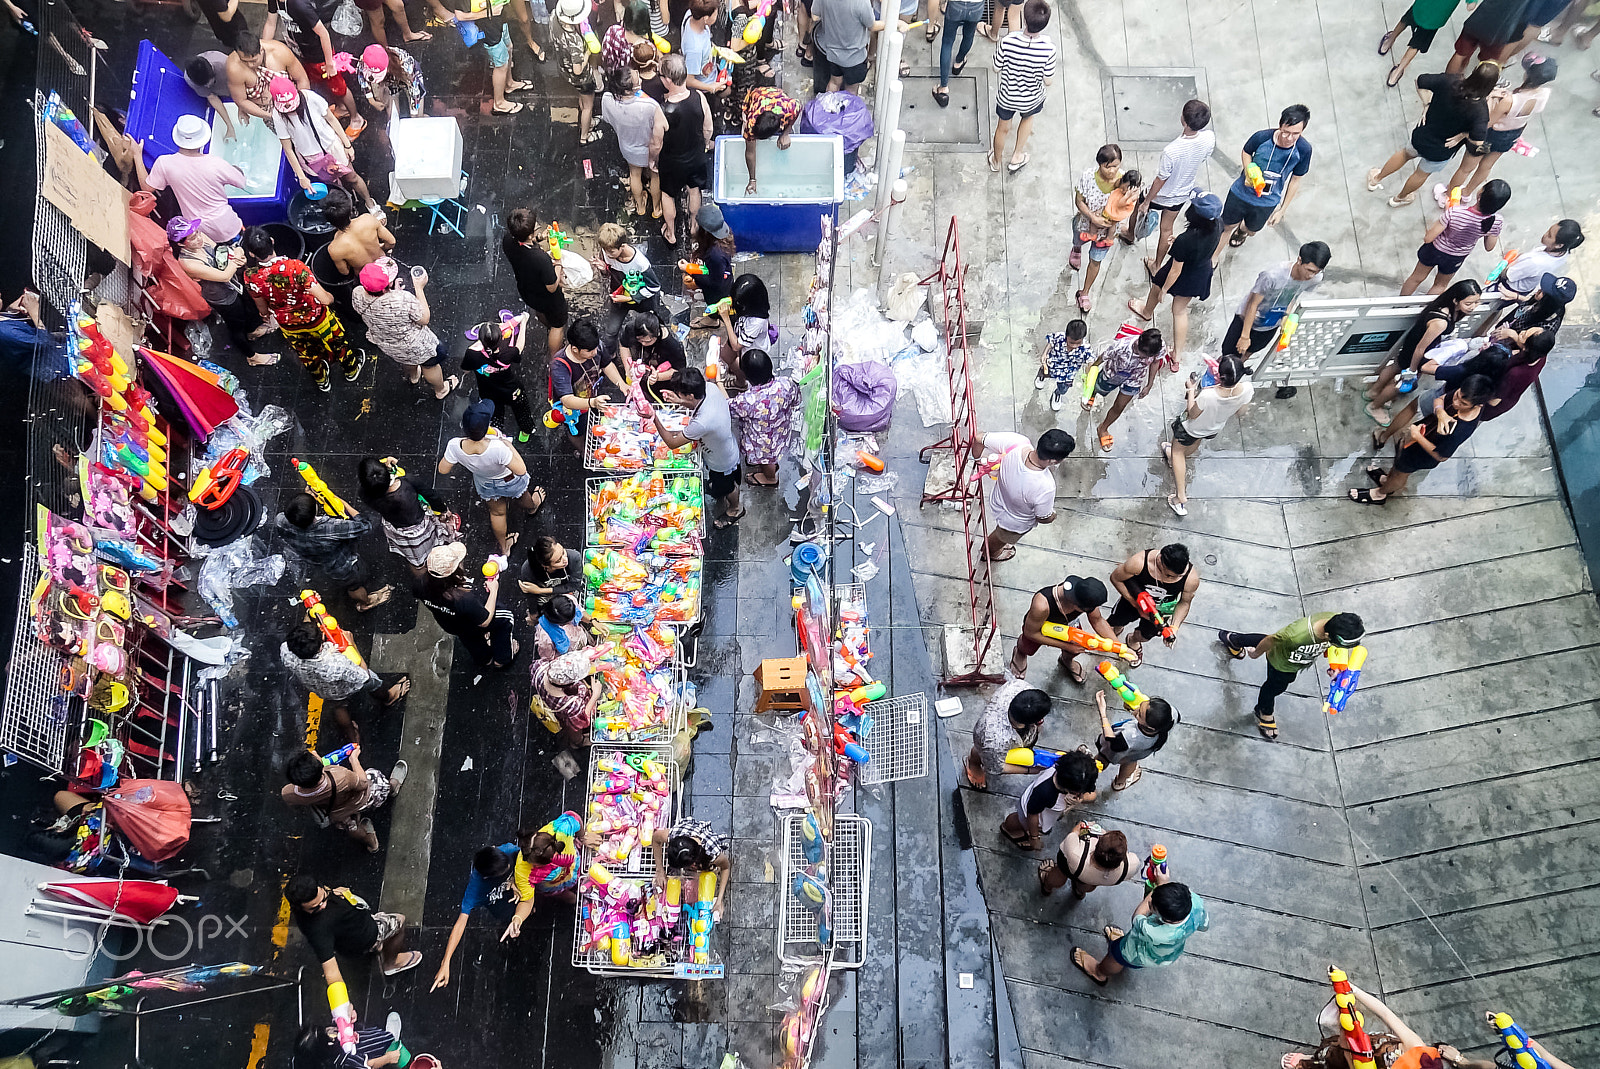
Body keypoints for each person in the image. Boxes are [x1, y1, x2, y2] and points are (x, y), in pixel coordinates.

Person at [243, 226, 365, 391]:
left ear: (251, 253)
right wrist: (330, 296)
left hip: (288, 325)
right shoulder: (295, 268)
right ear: (272, 241)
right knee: (336, 341)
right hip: (317, 319)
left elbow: (262, 309)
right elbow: (325, 299)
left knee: (306, 351)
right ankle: (351, 369)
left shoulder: (251, 277)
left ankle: (321, 378)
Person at [1366, 63, 1497, 208]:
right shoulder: (1480, 112)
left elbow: (1420, 81)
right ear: (1491, 86)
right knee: (1421, 174)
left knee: (1404, 154)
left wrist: (1427, 104)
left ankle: (1376, 179)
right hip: (1442, 149)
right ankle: (1399, 198)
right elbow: (1477, 142)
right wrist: (1462, 135)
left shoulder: (1450, 81)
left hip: (1424, 133)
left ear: (1474, 72)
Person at [1217, 611, 1366, 739]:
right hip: (1282, 663)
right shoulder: (1296, 637)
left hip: (1291, 651)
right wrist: (1256, 654)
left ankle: (1234, 640)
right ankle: (1264, 711)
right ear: (1327, 635)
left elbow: (1334, 647)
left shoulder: (1335, 622)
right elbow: (1272, 640)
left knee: (1276, 641)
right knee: (1274, 687)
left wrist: (1334, 665)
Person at [1353, 376, 1495, 506]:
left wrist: (1417, 437)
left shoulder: (1462, 429)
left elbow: (1441, 456)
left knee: (1401, 472)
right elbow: (1440, 399)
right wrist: (1440, 411)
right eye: (1457, 395)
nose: (1455, 402)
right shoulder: (1463, 394)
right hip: (1418, 438)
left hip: (1422, 455)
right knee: (1397, 464)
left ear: (1478, 406)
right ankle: (1386, 481)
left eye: (1463, 403)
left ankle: (1380, 494)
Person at [437, 399, 548, 556]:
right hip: (510, 480)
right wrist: (508, 446)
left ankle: (504, 547)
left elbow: (443, 469)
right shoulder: (498, 447)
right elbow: (521, 469)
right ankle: (532, 506)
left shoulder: (455, 445)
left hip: (485, 483)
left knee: (497, 513)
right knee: (523, 496)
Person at [1365, 280, 1483, 425]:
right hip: (1417, 353)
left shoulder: (1443, 305)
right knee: (1401, 383)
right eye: (1468, 303)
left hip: (1412, 345)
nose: (1473, 307)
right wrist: (1412, 370)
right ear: (1455, 300)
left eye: (1477, 302)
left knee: (1396, 366)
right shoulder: (1441, 322)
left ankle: (1373, 392)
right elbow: (1420, 348)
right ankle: (1374, 406)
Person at [1440, 54, 1554, 200]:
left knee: (1466, 168)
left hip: (1490, 136)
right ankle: (1467, 193)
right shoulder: (1544, 94)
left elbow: (1487, 123)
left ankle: (1448, 195)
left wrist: (1462, 135)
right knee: (1486, 166)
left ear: (1528, 75)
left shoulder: (1509, 100)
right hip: (1511, 135)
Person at [1125, 192, 1222, 360]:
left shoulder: (1186, 240)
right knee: (1180, 311)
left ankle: (1147, 311)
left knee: (1157, 285)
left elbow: (1175, 271)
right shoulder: (1217, 224)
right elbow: (1202, 242)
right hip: (1200, 271)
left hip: (1183, 272)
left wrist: (1164, 290)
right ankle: (1177, 355)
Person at [168, 216, 276, 365]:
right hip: (221, 296)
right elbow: (224, 276)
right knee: (236, 325)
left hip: (234, 283)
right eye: (192, 238)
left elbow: (223, 251)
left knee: (248, 308)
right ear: (180, 244)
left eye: (197, 233)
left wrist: (237, 254)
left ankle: (252, 332)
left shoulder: (201, 238)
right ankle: (252, 357)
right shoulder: (187, 262)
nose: (198, 238)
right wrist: (237, 256)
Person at [281, 621, 410, 744]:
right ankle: (388, 697)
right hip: (344, 687)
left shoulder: (286, 650)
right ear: (320, 646)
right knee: (373, 681)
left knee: (338, 706)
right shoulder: (334, 663)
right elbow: (363, 674)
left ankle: (352, 737)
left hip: (319, 688)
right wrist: (352, 643)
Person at [267, 77, 382, 215]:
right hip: (311, 156)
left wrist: (346, 145)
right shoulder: (278, 115)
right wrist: (301, 176)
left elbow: (332, 119)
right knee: (334, 186)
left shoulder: (311, 98)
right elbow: (288, 148)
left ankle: (370, 203)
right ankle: (348, 208)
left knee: (352, 177)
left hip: (331, 146)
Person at [1123, 99, 1216, 268]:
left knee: (1138, 205)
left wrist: (1147, 201)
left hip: (1163, 194)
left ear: (1184, 120)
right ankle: (1157, 265)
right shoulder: (1209, 138)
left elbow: (1161, 179)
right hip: (1182, 193)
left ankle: (1130, 234)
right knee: (1167, 229)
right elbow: (1204, 157)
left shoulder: (1172, 151)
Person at [430, 843, 536, 990]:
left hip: (518, 889)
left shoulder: (508, 851)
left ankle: (530, 910)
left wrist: (514, 879)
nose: (507, 870)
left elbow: (525, 858)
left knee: (528, 903)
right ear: (487, 877)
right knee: (509, 916)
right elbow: (460, 923)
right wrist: (445, 961)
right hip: (500, 905)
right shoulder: (476, 888)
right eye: (503, 873)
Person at [1215, 104, 1313, 257]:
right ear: (1280, 125)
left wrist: (1282, 210)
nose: (1289, 138)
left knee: (1252, 230)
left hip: (1267, 200)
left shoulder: (1303, 150)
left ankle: (1242, 231)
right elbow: (1247, 151)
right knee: (1226, 226)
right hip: (1241, 192)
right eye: (1286, 132)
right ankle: (1213, 258)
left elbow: (1295, 181)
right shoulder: (1262, 137)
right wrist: (1248, 171)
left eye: (1295, 134)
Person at [1072, 877, 1207, 986]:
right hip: (1165, 953)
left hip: (1137, 952)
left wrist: (1158, 888)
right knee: (1123, 946)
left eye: (1151, 906)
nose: (1149, 903)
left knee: (1117, 956)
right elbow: (1204, 925)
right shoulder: (1196, 903)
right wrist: (1164, 885)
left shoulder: (1152, 932)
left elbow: (1137, 918)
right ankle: (1119, 945)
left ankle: (1100, 972)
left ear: (1165, 918)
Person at [134, 115, 249, 243]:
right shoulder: (216, 163)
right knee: (241, 249)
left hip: (200, 232)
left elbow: (146, 188)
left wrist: (137, 155)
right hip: (228, 224)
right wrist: (235, 169)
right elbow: (242, 182)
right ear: (203, 139)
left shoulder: (164, 163)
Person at [1164, 354, 1253, 517]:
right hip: (1213, 429)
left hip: (1191, 428)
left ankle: (1180, 497)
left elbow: (1192, 414)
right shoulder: (1247, 389)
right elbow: (1241, 412)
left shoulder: (1208, 395)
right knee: (1195, 442)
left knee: (1177, 452)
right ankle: (1178, 457)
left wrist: (1191, 389)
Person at [353, 259, 455, 399]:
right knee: (430, 365)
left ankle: (413, 377)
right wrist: (419, 288)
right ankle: (441, 390)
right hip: (416, 345)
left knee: (407, 361)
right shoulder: (403, 299)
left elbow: (380, 304)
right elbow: (424, 319)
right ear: (388, 284)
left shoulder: (357, 294)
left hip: (389, 345)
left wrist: (391, 293)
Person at [655, 368, 744, 527]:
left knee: (728, 487)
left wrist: (653, 417)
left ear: (690, 395)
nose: (679, 395)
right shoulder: (710, 388)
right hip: (725, 447)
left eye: (680, 394)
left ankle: (735, 509)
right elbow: (695, 405)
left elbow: (672, 443)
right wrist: (679, 400)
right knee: (720, 484)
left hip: (721, 461)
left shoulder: (702, 422)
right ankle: (719, 489)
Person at [284, 874, 422, 977]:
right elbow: (331, 972)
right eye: (315, 908)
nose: (324, 905)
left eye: (324, 898)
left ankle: (376, 946)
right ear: (301, 908)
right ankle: (391, 963)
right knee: (400, 920)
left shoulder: (308, 897)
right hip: (368, 933)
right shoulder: (317, 930)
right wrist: (341, 1008)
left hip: (350, 938)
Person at [263, 0, 366, 137]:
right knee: (327, 84)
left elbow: (323, 33)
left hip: (320, 55)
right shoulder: (274, 1)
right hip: (303, 52)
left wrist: (329, 63)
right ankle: (342, 108)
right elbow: (271, 23)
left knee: (339, 87)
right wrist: (263, 48)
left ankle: (356, 118)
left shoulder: (298, 5)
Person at [280, 740, 407, 850]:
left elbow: (294, 805)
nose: (313, 753)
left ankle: (371, 842)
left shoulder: (289, 793)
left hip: (336, 812)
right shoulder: (341, 777)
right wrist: (354, 759)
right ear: (320, 767)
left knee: (351, 826)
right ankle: (391, 788)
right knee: (375, 779)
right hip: (357, 800)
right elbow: (362, 784)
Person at [277, 492, 393, 611]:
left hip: (316, 559)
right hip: (342, 566)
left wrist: (305, 503)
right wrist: (338, 500)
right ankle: (365, 602)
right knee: (354, 585)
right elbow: (364, 525)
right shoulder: (329, 529)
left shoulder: (280, 521)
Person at [971, 428, 1074, 563]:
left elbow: (979, 438)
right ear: (1053, 461)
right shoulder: (1045, 487)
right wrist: (1053, 516)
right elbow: (1043, 517)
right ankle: (990, 553)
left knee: (1000, 535)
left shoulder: (1017, 442)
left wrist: (978, 460)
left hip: (998, 499)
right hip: (1013, 522)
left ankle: (992, 549)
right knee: (1001, 537)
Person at [415, 542, 518, 669]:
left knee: (469, 638)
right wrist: (494, 590)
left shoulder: (420, 585)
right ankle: (502, 659)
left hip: (450, 623)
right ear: (454, 571)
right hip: (472, 620)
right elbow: (485, 620)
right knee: (505, 619)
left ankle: (485, 659)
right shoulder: (463, 598)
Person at [1223, 242, 1330, 361]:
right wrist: (1244, 336)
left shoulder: (1316, 279)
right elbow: (1253, 304)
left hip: (1270, 324)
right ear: (1299, 260)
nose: (1311, 275)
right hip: (1247, 319)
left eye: (1317, 271)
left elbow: (1294, 295)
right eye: (1309, 270)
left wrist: (1286, 315)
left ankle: (1234, 375)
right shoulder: (1272, 275)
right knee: (1228, 355)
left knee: (1247, 354)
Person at [1401, 179, 1510, 296]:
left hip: (1434, 250)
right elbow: (1489, 247)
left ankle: (1399, 305)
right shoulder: (1497, 221)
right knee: (1440, 285)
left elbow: (1428, 238)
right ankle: (1427, 310)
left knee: (1416, 277)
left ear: (1480, 194)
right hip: (1456, 258)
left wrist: (1447, 212)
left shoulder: (1455, 212)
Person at [989, 0, 1055, 176]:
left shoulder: (1008, 40)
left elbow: (996, 67)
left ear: (1024, 19)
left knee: (1002, 127)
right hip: (1031, 98)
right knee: (1027, 119)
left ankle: (996, 160)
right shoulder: (1048, 49)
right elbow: (1048, 81)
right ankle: (1017, 155)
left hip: (1007, 95)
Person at [357, 456, 454, 576]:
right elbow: (431, 496)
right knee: (437, 546)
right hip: (420, 527)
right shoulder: (407, 483)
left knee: (416, 561)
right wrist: (443, 510)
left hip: (396, 529)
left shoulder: (364, 494)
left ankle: (423, 581)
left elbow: (376, 486)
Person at [1008, 575, 1114, 681]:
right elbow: (1030, 633)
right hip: (1039, 625)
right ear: (1077, 606)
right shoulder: (1042, 605)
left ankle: (1066, 660)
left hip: (1067, 624)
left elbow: (1097, 620)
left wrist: (1120, 648)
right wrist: (1066, 646)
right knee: (1028, 646)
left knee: (1078, 646)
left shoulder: (1084, 597)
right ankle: (1020, 653)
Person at [657, 55, 714, 246]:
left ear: (668, 80)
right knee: (694, 190)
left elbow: (656, 142)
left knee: (667, 194)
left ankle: (671, 233)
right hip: (696, 157)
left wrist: (652, 160)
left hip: (672, 162)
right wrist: (704, 144)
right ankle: (694, 226)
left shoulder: (663, 110)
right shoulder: (699, 97)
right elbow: (708, 128)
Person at [1085, 328, 1171, 453]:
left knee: (1119, 406)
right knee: (1099, 388)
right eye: (1145, 356)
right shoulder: (1121, 347)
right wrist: (1093, 368)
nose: (1146, 359)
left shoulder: (1159, 346)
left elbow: (1155, 363)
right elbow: (1103, 356)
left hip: (1134, 379)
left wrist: (1149, 384)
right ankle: (1092, 395)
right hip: (1112, 373)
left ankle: (1103, 428)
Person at [1107, 544, 1201, 656]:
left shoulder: (1190, 578)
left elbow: (1185, 603)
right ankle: (1116, 630)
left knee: (1146, 635)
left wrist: (1174, 627)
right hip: (1133, 599)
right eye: (1169, 576)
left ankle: (1133, 640)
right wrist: (1136, 605)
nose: (1174, 579)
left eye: (1179, 576)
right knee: (1116, 621)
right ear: (1160, 562)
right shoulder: (1139, 562)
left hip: (1161, 611)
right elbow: (1116, 578)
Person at [1069, 144, 1130, 311]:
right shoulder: (1088, 177)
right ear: (1099, 164)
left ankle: (1085, 292)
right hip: (1085, 224)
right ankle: (1076, 249)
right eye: (1107, 166)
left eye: (1115, 166)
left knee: (1096, 261)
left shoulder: (1125, 180)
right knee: (1078, 240)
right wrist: (1092, 217)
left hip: (1106, 233)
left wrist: (1113, 220)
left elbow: (1129, 204)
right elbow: (1079, 201)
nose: (1111, 171)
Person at [600, 68, 667, 221]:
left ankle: (640, 206)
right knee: (655, 176)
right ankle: (656, 208)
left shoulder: (607, 100)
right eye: (638, 80)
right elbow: (665, 126)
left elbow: (607, 119)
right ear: (631, 89)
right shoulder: (650, 105)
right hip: (649, 149)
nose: (641, 80)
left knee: (634, 175)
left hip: (628, 148)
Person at [1000, 750, 1098, 852]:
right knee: (1017, 821)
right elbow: (1032, 813)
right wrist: (1034, 838)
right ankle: (1009, 829)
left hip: (1044, 808)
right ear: (1071, 790)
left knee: (1092, 796)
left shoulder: (1063, 766)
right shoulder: (1045, 793)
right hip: (1032, 812)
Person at [593, 223, 670, 349]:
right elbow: (608, 274)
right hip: (619, 298)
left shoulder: (640, 263)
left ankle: (653, 349)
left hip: (643, 300)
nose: (608, 254)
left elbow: (654, 287)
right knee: (611, 332)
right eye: (605, 250)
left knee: (650, 327)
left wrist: (630, 299)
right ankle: (609, 355)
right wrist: (603, 269)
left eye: (611, 251)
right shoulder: (607, 250)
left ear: (622, 246)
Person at [964, 678, 1051, 790]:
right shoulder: (993, 740)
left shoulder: (1019, 686)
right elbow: (997, 768)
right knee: (980, 750)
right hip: (989, 740)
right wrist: (1029, 770)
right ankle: (973, 763)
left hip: (1019, 733)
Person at [502, 208, 569, 355]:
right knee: (558, 325)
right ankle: (555, 358)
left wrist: (538, 238)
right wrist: (558, 264)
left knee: (541, 312)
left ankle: (547, 325)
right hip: (548, 298)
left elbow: (523, 242)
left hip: (527, 291)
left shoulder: (507, 241)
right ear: (530, 233)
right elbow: (552, 287)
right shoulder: (540, 258)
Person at [727, 349, 798, 486]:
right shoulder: (786, 384)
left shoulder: (748, 400)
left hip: (762, 443)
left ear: (747, 376)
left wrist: (717, 382)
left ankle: (770, 478)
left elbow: (728, 407)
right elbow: (796, 400)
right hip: (781, 432)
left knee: (767, 460)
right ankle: (770, 467)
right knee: (772, 456)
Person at [464, 313, 537, 442]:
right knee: (522, 409)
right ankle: (526, 431)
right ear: (501, 339)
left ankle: (497, 430)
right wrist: (523, 323)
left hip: (487, 390)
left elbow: (465, 368)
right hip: (511, 390)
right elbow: (519, 347)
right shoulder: (507, 353)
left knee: (495, 412)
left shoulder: (472, 353)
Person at [1093, 689, 1177, 792]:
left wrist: (1103, 714)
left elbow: (1113, 743)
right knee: (1130, 762)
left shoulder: (1130, 736)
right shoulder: (1168, 718)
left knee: (1101, 760)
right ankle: (1120, 783)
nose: (1135, 711)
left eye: (1139, 714)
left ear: (1150, 728)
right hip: (1136, 753)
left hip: (1112, 752)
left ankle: (1088, 776)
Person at [650, 817, 731, 918]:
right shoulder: (674, 835)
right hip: (688, 832)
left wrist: (719, 900)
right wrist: (659, 870)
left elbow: (726, 867)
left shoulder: (712, 853)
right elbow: (655, 838)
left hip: (705, 846)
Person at [1379, 0, 1472, 88]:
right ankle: (1395, 74)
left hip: (1423, 4)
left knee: (1407, 19)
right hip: (1438, 15)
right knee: (1417, 43)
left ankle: (1388, 42)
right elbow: (1470, 6)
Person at [1037, 820, 1140, 899]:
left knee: (1060, 873)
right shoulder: (1131, 865)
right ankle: (1079, 891)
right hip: (1093, 879)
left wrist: (1078, 828)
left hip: (1075, 867)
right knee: (1088, 884)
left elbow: (1071, 836)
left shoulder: (1076, 854)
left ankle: (1047, 887)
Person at [226, 32, 311, 124]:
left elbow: (302, 79)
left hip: (294, 102)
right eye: (245, 61)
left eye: (253, 61)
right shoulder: (233, 67)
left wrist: (302, 106)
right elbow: (241, 100)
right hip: (268, 112)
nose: (250, 65)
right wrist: (272, 116)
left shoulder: (280, 52)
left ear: (261, 50)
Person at [549, 318, 630, 415]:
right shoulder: (559, 366)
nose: (595, 352)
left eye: (595, 348)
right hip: (574, 410)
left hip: (593, 396)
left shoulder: (595, 345)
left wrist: (621, 384)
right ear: (575, 349)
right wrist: (592, 403)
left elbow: (606, 365)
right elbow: (567, 399)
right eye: (590, 351)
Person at [1492, 218, 1583, 297]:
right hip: (1526, 286)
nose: (1545, 234)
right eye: (1549, 230)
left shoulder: (1536, 262)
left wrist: (1506, 265)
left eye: (1549, 235)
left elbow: (1508, 275)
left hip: (1509, 287)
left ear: (1559, 245)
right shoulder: (1564, 252)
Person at [530, 647, 601, 746]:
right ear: (569, 684)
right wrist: (595, 695)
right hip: (565, 712)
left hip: (547, 698)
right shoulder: (572, 704)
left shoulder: (539, 666)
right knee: (573, 729)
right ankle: (577, 742)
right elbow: (581, 718)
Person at [1482, 328, 1556, 420]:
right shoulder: (1541, 355)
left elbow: (1494, 401)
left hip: (1490, 405)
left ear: (1526, 347)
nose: (1523, 332)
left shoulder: (1516, 373)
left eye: (1524, 335)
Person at [322, 188, 396, 280]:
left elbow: (345, 272)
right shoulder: (367, 219)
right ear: (350, 210)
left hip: (367, 277)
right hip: (384, 267)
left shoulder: (334, 248)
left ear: (330, 222)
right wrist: (381, 248)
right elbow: (391, 242)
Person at [555, 0, 603, 142]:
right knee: (588, 106)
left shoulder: (554, 19)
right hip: (581, 77)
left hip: (564, 68)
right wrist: (588, 52)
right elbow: (578, 70)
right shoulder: (574, 41)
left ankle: (587, 121)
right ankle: (585, 136)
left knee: (582, 98)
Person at [810, 0, 881, 95]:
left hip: (832, 53)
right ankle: (847, 109)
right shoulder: (861, 2)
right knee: (851, 89)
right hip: (855, 58)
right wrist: (896, 23)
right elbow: (872, 26)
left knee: (834, 82)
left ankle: (828, 107)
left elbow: (815, 16)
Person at [740, 85, 801, 195]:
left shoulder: (789, 108)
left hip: (777, 96)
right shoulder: (751, 122)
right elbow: (750, 153)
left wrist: (786, 133)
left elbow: (798, 106)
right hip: (757, 94)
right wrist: (752, 179)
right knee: (746, 134)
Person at [683, 205, 736, 325]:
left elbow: (713, 283)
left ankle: (713, 320)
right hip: (724, 276)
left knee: (715, 304)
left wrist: (691, 271)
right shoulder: (724, 236)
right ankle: (713, 318)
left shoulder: (715, 255)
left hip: (718, 289)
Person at [620, 310, 686, 405]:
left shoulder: (672, 345)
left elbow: (679, 370)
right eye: (640, 340)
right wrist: (627, 368)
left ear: (657, 334)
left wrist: (658, 377)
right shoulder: (631, 328)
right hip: (641, 373)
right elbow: (623, 345)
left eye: (647, 341)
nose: (643, 344)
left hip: (662, 381)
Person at [1446, 0, 1533, 72]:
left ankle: (1447, 86)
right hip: (1501, 31)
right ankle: (1473, 88)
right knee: (1488, 64)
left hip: (1480, 18)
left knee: (1460, 54)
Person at [1033, 318, 1093, 413]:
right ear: (1066, 336)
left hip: (1068, 373)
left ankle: (1057, 394)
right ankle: (1041, 378)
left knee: (1063, 388)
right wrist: (1044, 354)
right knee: (1044, 372)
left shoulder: (1086, 348)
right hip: (1052, 364)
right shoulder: (1059, 337)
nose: (1074, 346)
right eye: (1071, 343)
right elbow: (1050, 343)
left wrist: (1088, 374)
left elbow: (1090, 361)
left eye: (1078, 343)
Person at [183, 52, 243, 141]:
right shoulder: (190, 80)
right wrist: (229, 126)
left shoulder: (224, 63)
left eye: (210, 82)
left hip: (233, 82)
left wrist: (241, 105)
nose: (208, 86)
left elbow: (240, 82)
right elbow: (212, 97)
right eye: (205, 85)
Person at [357, 44, 427, 120]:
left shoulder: (405, 64)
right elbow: (362, 78)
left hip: (406, 76)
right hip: (388, 80)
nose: (373, 77)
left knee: (418, 116)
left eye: (377, 75)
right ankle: (391, 116)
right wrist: (371, 100)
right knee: (392, 116)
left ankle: (422, 118)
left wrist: (414, 115)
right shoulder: (364, 60)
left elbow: (415, 91)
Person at [933, 0, 981, 108]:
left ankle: (944, 87)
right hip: (976, 5)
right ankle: (958, 63)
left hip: (956, 4)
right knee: (969, 35)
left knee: (947, 42)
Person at [720, 273, 774, 364]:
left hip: (752, 354)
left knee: (742, 369)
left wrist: (726, 319)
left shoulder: (757, 322)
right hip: (741, 337)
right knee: (726, 356)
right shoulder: (749, 308)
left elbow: (736, 346)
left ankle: (739, 376)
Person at [518, 535, 583, 607]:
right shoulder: (528, 570)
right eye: (558, 561)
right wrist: (534, 613)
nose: (565, 559)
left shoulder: (574, 557)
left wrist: (540, 590)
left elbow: (574, 585)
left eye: (563, 552)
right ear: (545, 565)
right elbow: (531, 596)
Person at [532, 589, 590, 660]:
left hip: (577, 640)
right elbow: (549, 658)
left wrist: (593, 621)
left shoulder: (567, 602)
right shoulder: (546, 640)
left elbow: (580, 610)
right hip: (568, 657)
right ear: (562, 623)